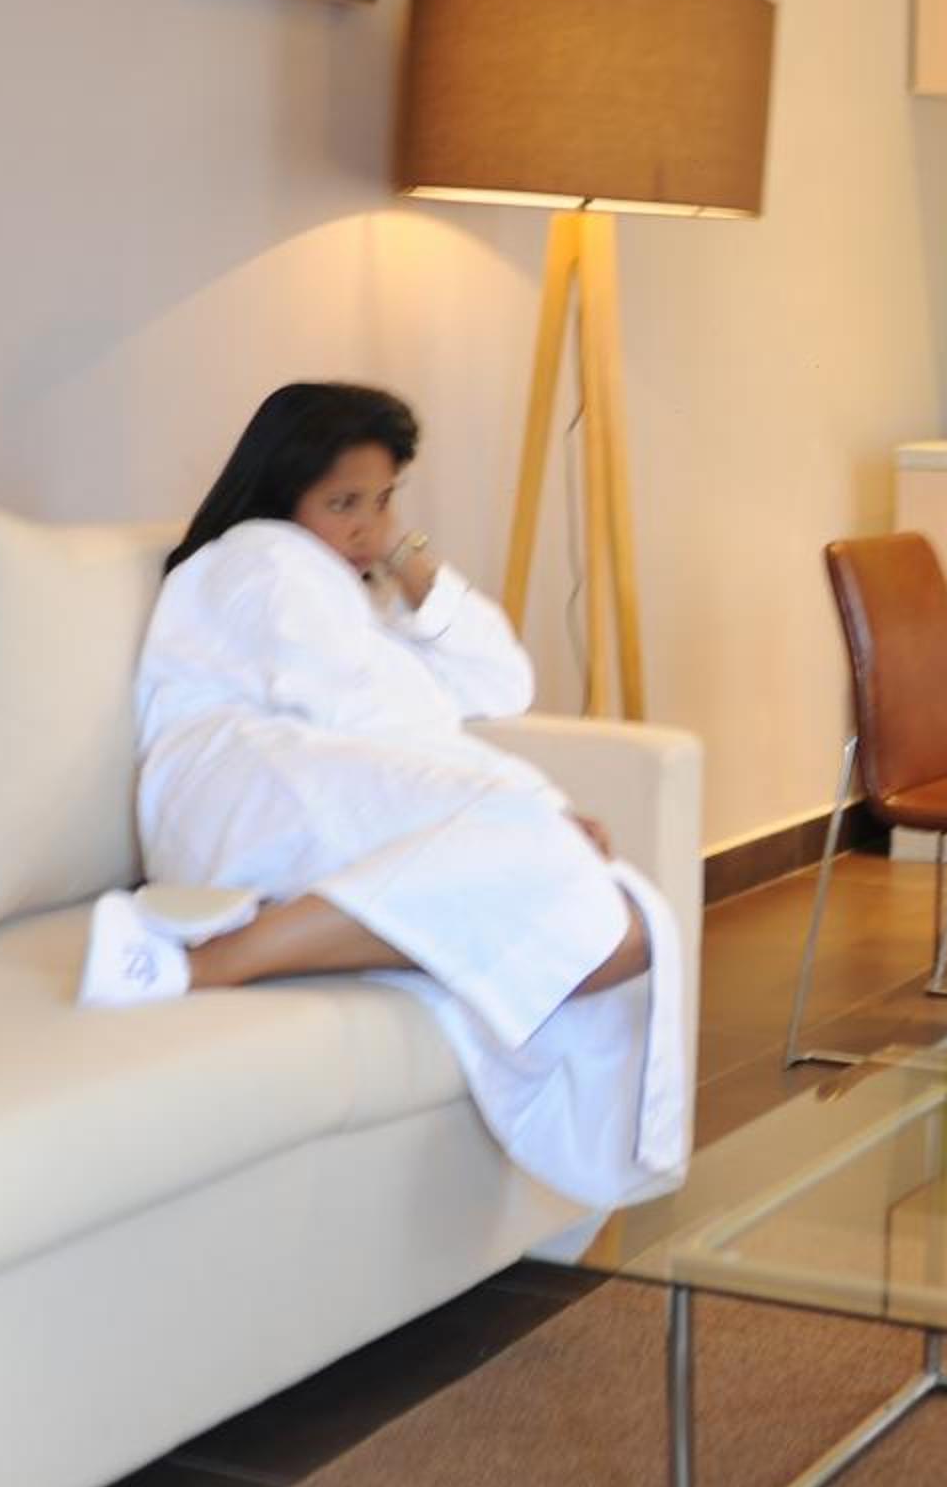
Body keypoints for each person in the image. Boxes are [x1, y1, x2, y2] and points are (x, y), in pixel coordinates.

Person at [76, 380, 689, 1208]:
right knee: (598, 911)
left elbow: (499, 680)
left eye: (385, 498)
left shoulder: (342, 587)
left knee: (618, 925)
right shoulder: (264, 558)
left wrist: (401, 551)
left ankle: (205, 957)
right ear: (281, 493)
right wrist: (531, 805)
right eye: (343, 503)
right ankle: (207, 963)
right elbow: (363, 711)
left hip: (311, 794)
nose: (367, 526)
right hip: (243, 791)